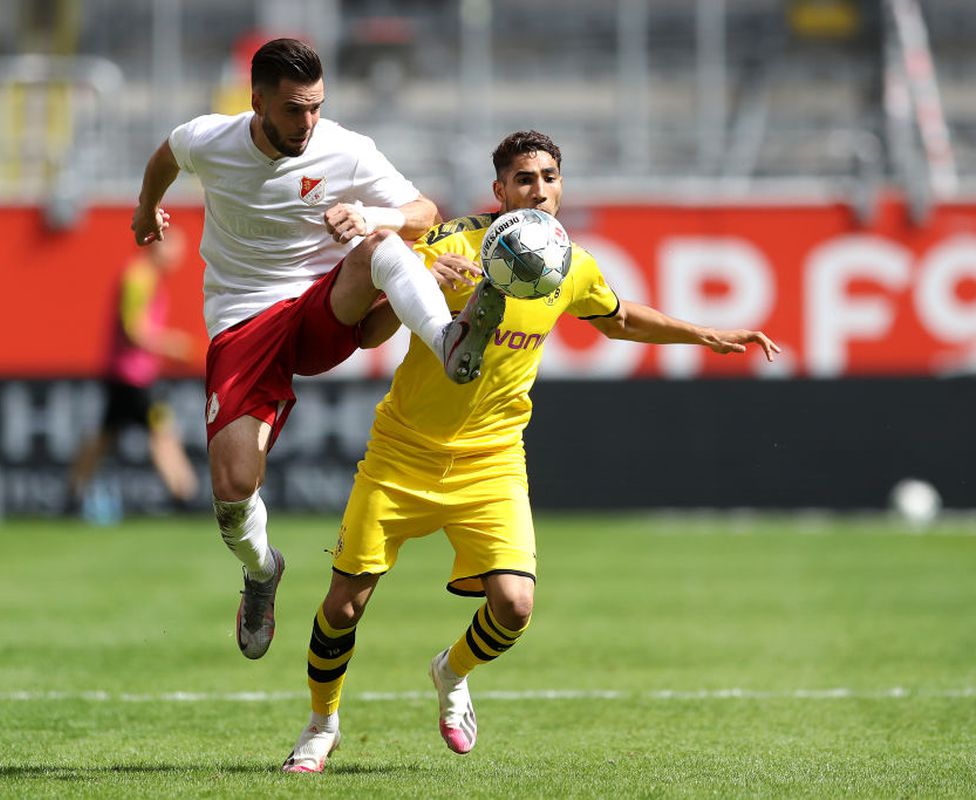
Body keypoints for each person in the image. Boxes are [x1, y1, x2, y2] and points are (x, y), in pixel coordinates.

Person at [281, 130, 780, 772]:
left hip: (492, 459)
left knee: (514, 606)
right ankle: (321, 726)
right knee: (344, 604)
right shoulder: (451, 243)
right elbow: (370, 330)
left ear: (560, 186)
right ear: (499, 191)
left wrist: (703, 332)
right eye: (523, 179)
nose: (538, 190)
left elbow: (619, 318)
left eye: (548, 177)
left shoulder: (568, 262)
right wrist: (421, 277)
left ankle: (451, 673)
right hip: (403, 452)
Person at [130, 38, 501, 660]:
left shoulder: (346, 150)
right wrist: (148, 210)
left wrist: (369, 212)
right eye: (295, 109)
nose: (308, 122)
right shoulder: (210, 139)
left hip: (324, 305)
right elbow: (166, 156)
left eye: (316, 106)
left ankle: (446, 339)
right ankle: (260, 571)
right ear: (257, 102)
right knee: (231, 488)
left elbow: (425, 209)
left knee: (380, 247)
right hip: (243, 320)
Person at [67, 235, 199, 515]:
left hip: (127, 375)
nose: (179, 257)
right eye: (175, 248)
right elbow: (133, 330)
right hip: (132, 377)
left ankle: (73, 494)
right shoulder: (139, 278)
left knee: (104, 437)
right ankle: (184, 497)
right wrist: (170, 345)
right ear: (157, 245)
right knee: (163, 432)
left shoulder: (147, 277)